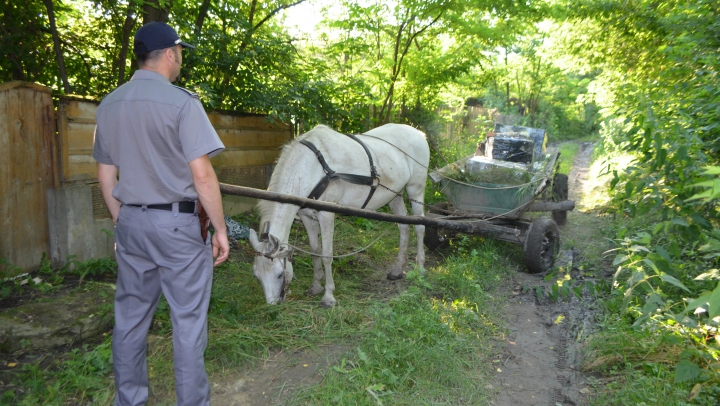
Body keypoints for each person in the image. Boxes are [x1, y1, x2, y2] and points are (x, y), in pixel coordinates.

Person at [92, 21, 230, 406]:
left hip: (131, 222)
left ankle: (129, 400)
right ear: (170, 54)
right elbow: (202, 174)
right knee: (187, 321)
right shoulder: (182, 103)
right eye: (180, 52)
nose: (181, 58)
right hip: (177, 228)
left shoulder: (109, 104)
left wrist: (122, 221)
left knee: (131, 319)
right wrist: (219, 229)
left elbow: (105, 173)